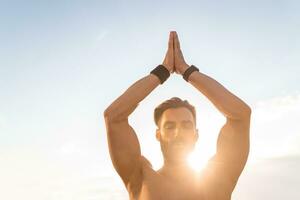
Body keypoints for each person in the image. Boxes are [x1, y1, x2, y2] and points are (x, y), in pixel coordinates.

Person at [103, 31, 251, 200]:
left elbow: (241, 115)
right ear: (158, 134)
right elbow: (113, 117)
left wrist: (186, 71)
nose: (178, 132)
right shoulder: (142, 179)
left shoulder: (217, 179)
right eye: (169, 126)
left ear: (196, 134)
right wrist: (163, 71)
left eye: (186, 125)